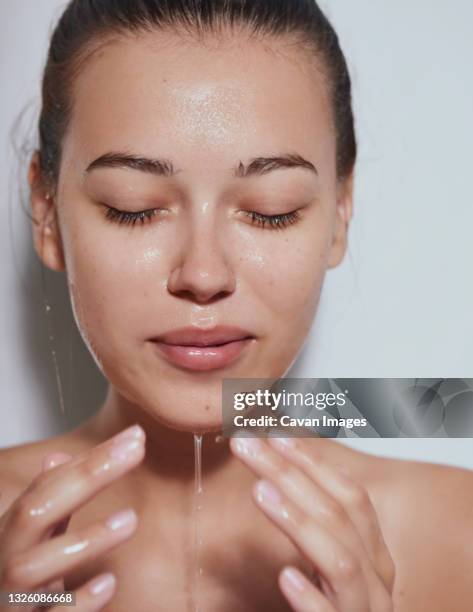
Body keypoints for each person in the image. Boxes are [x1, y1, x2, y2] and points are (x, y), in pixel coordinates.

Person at [0, 1, 472, 611]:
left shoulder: (450, 537)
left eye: (271, 210)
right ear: (47, 213)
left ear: (339, 214)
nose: (203, 275)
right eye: (133, 205)